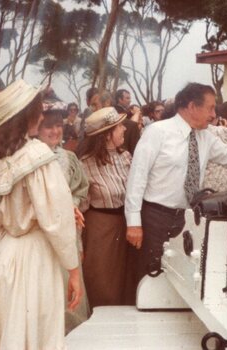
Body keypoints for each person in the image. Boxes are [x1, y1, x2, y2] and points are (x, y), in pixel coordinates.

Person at [0, 80, 82, 349]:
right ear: (25, 115)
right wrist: (72, 269)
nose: (40, 115)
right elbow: (55, 219)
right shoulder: (36, 154)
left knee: (4, 325)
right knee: (32, 326)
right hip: (33, 253)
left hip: (2, 251)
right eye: (37, 110)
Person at [125, 83, 227, 279]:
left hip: (186, 217)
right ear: (192, 106)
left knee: (180, 276)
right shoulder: (157, 132)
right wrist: (133, 223)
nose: (213, 114)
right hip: (155, 219)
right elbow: (137, 178)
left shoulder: (205, 137)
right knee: (152, 276)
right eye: (210, 108)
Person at [37, 108, 90, 333]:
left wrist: (72, 204)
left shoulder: (69, 157)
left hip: (68, 225)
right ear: (37, 129)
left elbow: (81, 188)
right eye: (49, 126)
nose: (55, 131)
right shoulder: (31, 157)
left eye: (58, 126)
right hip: (41, 229)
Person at [79, 106, 138, 308]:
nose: (124, 129)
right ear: (106, 135)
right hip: (101, 230)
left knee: (126, 282)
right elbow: (79, 206)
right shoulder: (85, 164)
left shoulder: (126, 157)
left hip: (127, 227)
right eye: (119, 126)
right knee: (103, 283)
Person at [114, 89, 141, 155]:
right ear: (120, 99)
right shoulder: (115, 110)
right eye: (127, 98)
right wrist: (135, 113)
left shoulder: (126, 111)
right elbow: (130, 125)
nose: (130, 100)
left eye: (130, 98)